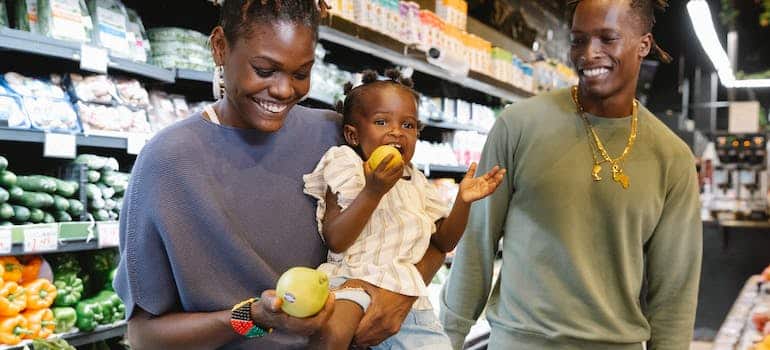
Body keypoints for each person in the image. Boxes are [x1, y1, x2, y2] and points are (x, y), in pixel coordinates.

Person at [113, 1, 447, 349]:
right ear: (220, 47)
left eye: (301, 73)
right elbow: (144, 337)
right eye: (264, 69)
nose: (284, 90)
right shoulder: (169, 161)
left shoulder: (335, 137)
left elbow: (420, 238)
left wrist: (397, 295)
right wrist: (254, 318)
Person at [439, 0, 702, 349]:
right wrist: (445, 339)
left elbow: (674, 293)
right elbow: (477, 244)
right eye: (579, 40)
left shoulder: (672, 159)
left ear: (644, 45)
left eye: (607, 39)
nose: (589, 53)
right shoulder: (517, 126)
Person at [301, 69, 506, 349]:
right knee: (331, 337)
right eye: (382, 121)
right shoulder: (347, 165)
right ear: (352, 134)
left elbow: (444, 241)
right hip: (353, 281)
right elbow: (335, 239)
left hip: (408, 292)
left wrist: (463, 201)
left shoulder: (417, 181)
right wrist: (373, 191)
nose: (397, 131)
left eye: (408, 125)